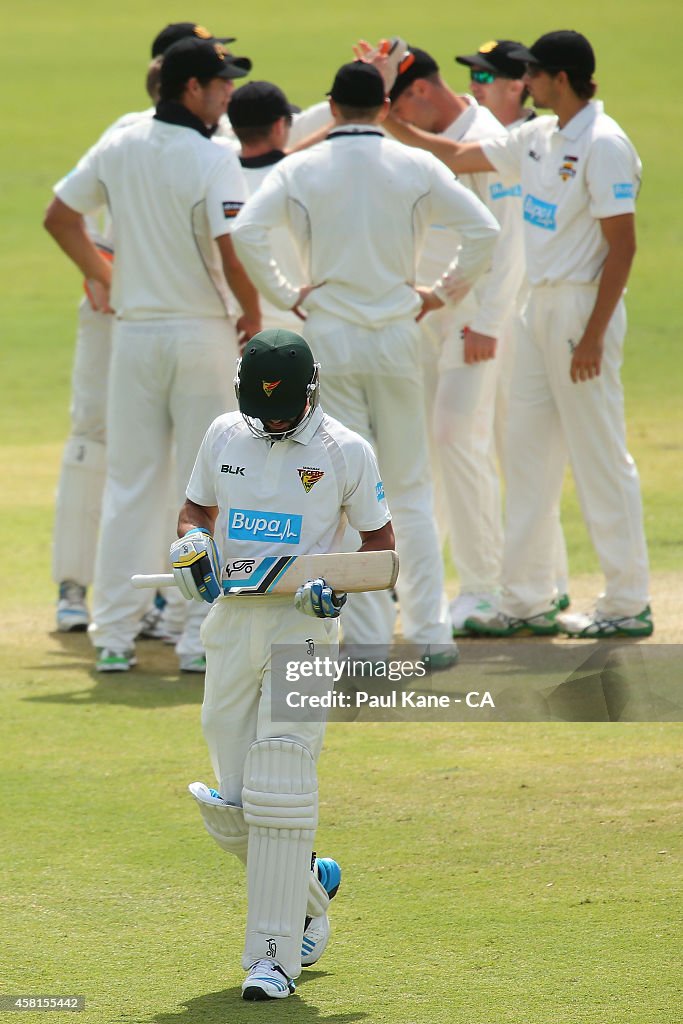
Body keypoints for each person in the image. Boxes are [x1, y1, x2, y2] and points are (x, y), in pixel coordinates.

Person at [231, 60, 500, 665]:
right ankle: (431, 634)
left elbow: (247, 229)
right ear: (384, 105)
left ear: (332, 105)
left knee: (348, 487)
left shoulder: (300, 165)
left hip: (329, 334)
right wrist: (439, 294)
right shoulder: (415, 163)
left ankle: (371, 641)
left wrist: (288, 295)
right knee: (408, 487)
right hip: (396, 333)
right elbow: (483, 230)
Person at [389, 31, 651, 638]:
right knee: (527, 457)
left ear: (560, 77)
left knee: (599, 455)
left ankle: (627, 599)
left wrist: (592, 335)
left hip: (582, 309)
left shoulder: (605, 144)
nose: (524, 82)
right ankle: (527, 596)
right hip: (536, 312)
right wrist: (384, 115)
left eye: (534, 73)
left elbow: (624, 247)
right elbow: (454, 157)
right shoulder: (535, 137)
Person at [170, 328, 395, 999]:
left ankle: (271, 958)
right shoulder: (223, 434)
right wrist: (190, 541)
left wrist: (336, 588)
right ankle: (310, 887)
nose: (271, 420)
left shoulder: (344, 451)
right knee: (236, 800)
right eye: (259, 409)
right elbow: (196, 507)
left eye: (283, 409)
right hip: (231, 624)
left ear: (311, 388)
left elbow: (379, 543)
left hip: (302, 630)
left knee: (280, 780)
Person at [44, 37, 262, 673]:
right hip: (199, 334)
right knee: (210, 488)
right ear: (190, 88)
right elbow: (231, 253)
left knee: (131, 485)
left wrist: (108, 280)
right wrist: (250, 312)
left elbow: (60, 217)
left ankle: (113, 637)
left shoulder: (119, 144)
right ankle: (197, 636)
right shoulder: (214, 155)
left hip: (135, 336)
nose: (227, 91)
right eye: (219, 82)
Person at [385, 44, 526, 635]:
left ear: (419, 92)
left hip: (471, 317)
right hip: (426, 313)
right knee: (421, 449)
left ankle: (483, 589)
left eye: (398, 106)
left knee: (457, 440)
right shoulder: (419, 136)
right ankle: (421, 587)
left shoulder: (488, 137)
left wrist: (489, 322)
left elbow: (511, 240)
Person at [453, 38, 571, 613]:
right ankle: (539, 583)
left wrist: (488, 322)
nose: (476, 85)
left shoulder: (531, 141)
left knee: (522, 455)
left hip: (516, 322)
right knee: (508, 454)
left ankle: (545, 585)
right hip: (498, 319)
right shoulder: (500, 139)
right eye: (474, 75)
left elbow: (512, 248)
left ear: (518, 83)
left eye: (487, 76)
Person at [227, 80, 307, 333]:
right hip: (300, 325)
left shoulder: (219, 178)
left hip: (240, 329)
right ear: (279, 126)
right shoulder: (303, 177)